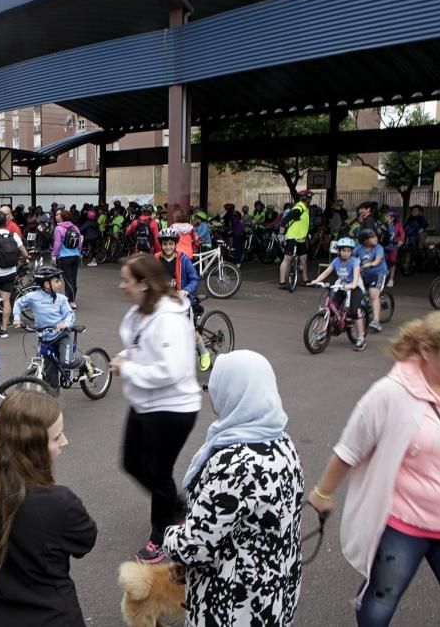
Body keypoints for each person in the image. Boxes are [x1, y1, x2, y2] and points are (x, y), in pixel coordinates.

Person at [308, 310, 440, 626]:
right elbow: (349, 449)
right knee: (379, 606)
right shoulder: (390, 393)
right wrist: (322, 492)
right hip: (404, 524)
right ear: (426, 350)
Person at [164, 350, 304, 626]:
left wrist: (170, 536)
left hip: (236, 600)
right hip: (275, 589)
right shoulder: (282, 444)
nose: (212, 395)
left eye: (215, 386)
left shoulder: (235, 464)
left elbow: (196, 546)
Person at [0, 391, 96, 626]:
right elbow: (85, 542)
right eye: (57, 436)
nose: (65, 441)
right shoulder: (59, 503)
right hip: (50, 616)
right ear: (32, 447)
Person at [110, 254, 201, 563]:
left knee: (158, 472)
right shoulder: (142, 312)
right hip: (145, 403)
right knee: (132, 463)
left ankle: (161, 535)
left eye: (127, 281)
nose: (122, 286)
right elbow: (140, 346)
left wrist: (128, 369)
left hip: (173, 409)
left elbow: (171, 371)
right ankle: (177, 506)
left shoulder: (169, 319)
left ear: (145, 284)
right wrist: (126, 355)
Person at [11, 265, 82, 390]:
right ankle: (52, 401)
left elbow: (70, 314)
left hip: (61, 336)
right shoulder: (33, 296)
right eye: (57, 281)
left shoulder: (61, 299)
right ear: (46, 284)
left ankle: (84, 362)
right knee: (50, 377)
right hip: (44, 338)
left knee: (67, 362)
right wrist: (17, 318)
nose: (60, 284)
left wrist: (65, 324)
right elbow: (18, 303)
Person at [155, 228, 211, 372]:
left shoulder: (183, 259)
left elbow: (194, 278)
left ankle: (204, 353)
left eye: (171, 244)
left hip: (182, 303)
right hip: (163, 303)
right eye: (165, 244)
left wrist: (186, 291)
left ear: (175, 244)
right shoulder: (156, 259)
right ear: (161, 245)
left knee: (190, 333)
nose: (168, 247)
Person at [308, 236, 366, 350]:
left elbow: (355, 277)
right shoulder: (336, 261)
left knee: (355, 311)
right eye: (343, 250)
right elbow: (325, 273)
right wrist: (315, 281)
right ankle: (325, 333)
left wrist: (353, 285)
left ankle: (361, 339)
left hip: (355, 287)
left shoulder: (355, 262)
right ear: (339, 251)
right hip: (341, 285)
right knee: (331, 308)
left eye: (348, 251)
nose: (345, 253)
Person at [354, 229, 388, 332]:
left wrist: (372, 264)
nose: (375, 238)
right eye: (372, 237)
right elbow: (352, 258)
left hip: (378, 273)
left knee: (373, 295)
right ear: (365, 241)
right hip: (363, 274)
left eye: (375, 236)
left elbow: (378, 259)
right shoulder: (359, 249)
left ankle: (376, 321)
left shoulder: (378, 248)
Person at [279, 189, 313, 289]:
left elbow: (302, 224)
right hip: (292, 238)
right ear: (307, 199)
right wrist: (281, 235)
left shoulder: (305, 208)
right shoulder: (299, 208)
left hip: (301, 238)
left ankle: (305, 280)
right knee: (287, 259)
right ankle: (282, 283)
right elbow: (284, 220)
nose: (311, 200)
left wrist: (307, 234)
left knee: (303, 259)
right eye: (310, 198)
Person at [52, 209, 83, 308]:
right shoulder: (75, 227)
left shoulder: (58, 229)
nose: (56, 216)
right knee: (73, 279)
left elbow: (57, 244)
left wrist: (54, 256)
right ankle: (71, 299)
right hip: (75, 256)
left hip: (64, 257)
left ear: (62, 217)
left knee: (67, 279)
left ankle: (71, 301)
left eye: (58, 215)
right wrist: (79, 252)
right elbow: (79, 243)